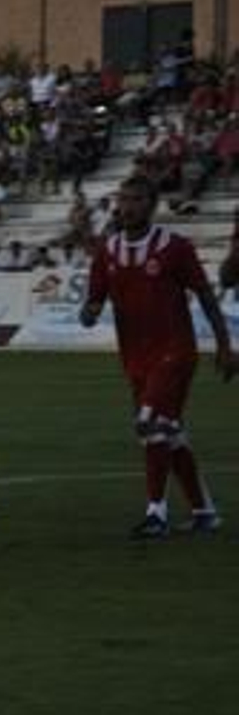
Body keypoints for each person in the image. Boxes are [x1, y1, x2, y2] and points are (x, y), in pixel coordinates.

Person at [80, 175, 235, 537]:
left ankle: (156, 514)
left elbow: (206, 295)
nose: (127, 206)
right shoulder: (107, 251)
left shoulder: (174, 247)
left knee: (149, 423)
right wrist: (88, 313)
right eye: (124, 199)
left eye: (136, 199)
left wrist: (224, 345)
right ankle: (204, 512)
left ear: (151, 205)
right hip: (135, 359)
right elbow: (92, 304)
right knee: (168, 432)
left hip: (175, 352)